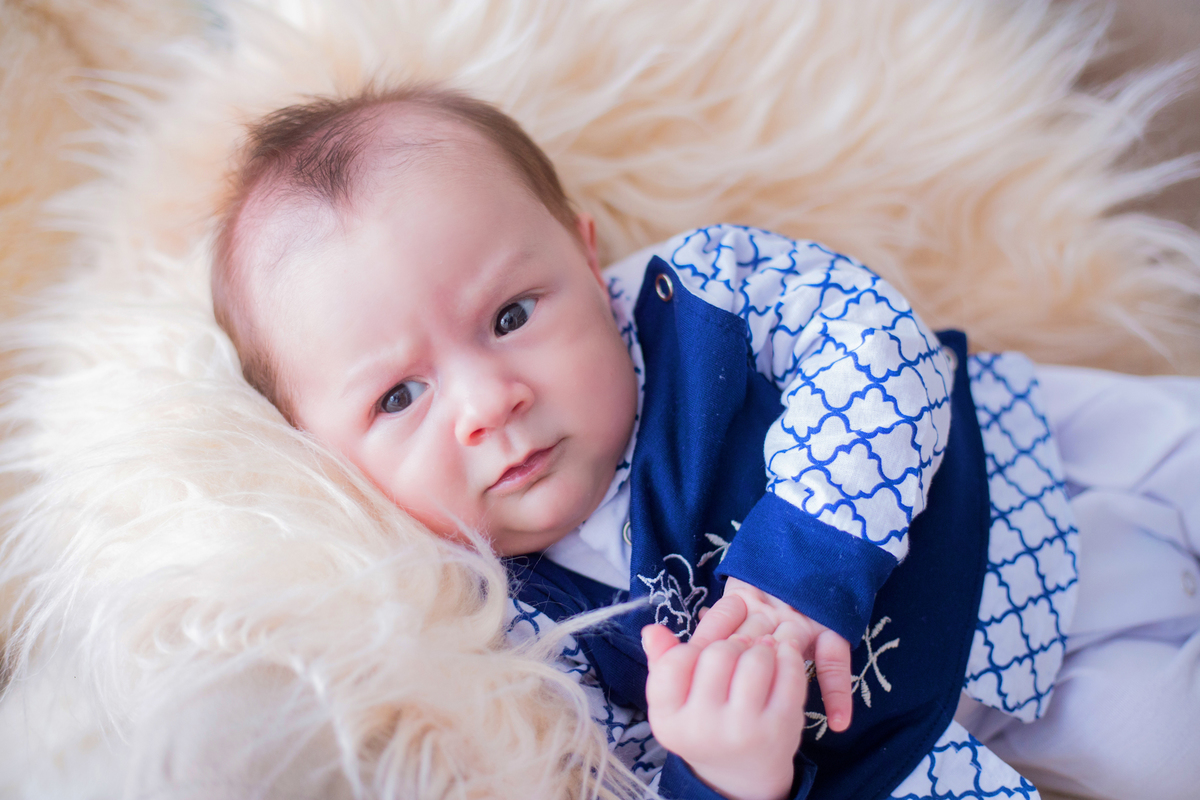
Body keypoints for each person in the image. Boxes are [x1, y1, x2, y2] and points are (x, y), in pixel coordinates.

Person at [210, 85, 1200, 800]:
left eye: (511, 313)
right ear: (319, 455)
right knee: (1162, 747)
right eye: (400, 394)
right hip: (946, 722)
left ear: (585, 255)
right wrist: (724, 769)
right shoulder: (491, 651)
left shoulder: (701, 302)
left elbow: (873, 335)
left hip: (1010, 481)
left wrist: (798, 563)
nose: (487, 401)